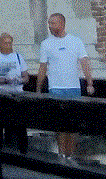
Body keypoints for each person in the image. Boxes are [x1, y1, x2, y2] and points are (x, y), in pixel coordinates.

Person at [35, 13, 92, 159]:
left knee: (73, 124)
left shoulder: (75, 41)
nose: (50, 26)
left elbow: (84, 62)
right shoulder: (46, 44)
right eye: (49, 23)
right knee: (60, 123)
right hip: (55, 88)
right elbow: (43, 67)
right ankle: (61, 154)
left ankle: (70, 154)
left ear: (62, 24)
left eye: (53, 23)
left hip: (73, 87)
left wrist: (89, 82)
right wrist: (38, 88)